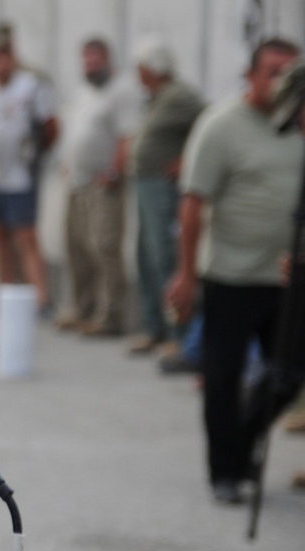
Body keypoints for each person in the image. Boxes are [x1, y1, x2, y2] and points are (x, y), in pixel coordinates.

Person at [164, 37, 303, 504]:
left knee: (288, 374)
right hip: (230, 275)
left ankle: (242, 445)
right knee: (222, 377)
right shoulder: (222, 126)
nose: (283, 83)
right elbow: (192, 205)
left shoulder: (300, 127)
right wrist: (185, 274)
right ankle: (225, 470)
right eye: (273, 73)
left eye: (292, 73)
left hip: (286, 278)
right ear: (251, 75)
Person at [56, 37, 142, 337]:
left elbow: (126, 135)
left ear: (108, 60)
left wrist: (114, 171)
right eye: (86, 60)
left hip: (102, 184)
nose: (91, 65)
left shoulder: (121, 91)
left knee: (103, 247)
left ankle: (111, 317)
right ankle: (84, 308)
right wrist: (67, 161)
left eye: (96, 59)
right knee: (76, 246)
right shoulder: (84, 93)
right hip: (76, 182)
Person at [0, 32, 58, 313]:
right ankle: (5, 295)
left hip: (19, 175)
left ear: (12, 58)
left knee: (26, 236)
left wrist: (36, 155)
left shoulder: (30, 87)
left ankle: (40, 298)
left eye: (3, 57)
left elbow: (51, 127)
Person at [126, 35, 204, 355]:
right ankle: (154, 327)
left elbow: (209, 124)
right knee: (146, 257)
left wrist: (188, 159)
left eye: (141, 68)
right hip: (145, 184)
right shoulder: (156, 97)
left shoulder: (180, 96)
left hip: (162, 186)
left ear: (155, 68)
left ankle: (179, 334)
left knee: (164, 258)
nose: (137, 74)